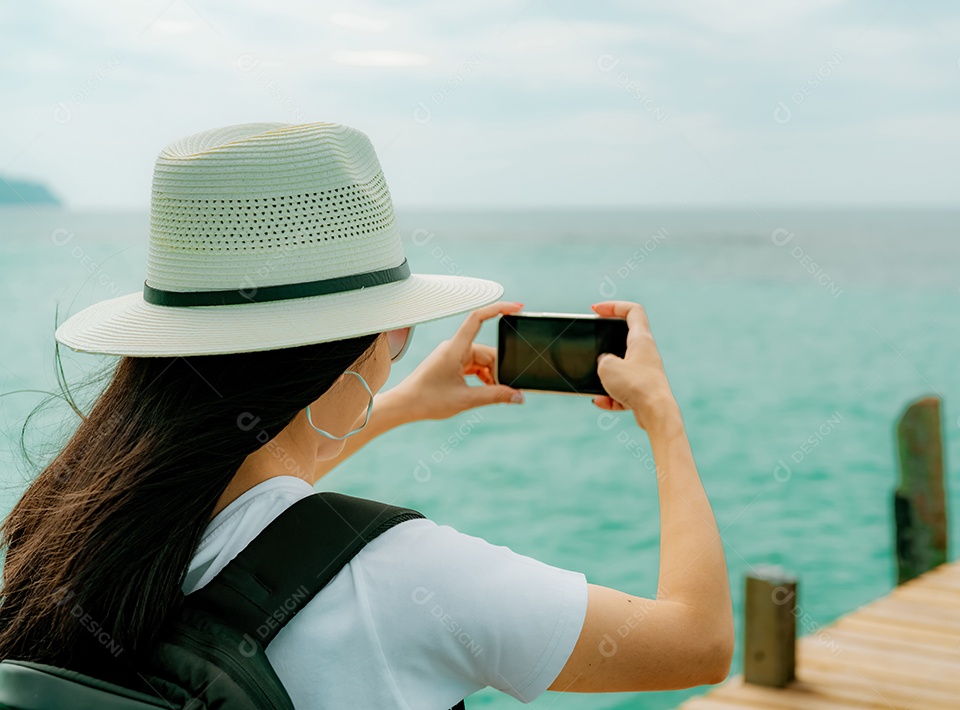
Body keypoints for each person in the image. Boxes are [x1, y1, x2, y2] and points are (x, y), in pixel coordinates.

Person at [0, 122, 733, 708]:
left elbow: (257, 496)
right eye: (396, 332)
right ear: (350, 354)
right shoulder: (405, 577)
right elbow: (697, 642)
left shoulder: (71, 527)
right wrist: (662, 421)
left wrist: (403, 402)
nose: (397, 350)